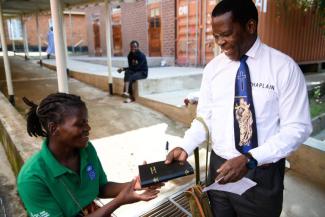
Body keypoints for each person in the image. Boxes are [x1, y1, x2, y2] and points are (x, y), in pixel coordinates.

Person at [165, 0, 312, 217]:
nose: (220, 43)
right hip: (219, 171)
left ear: (250, 27)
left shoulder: (284, 68)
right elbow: (205, 118)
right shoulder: (213, 69)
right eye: (215, 37)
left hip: (261, 175)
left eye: (225, 34)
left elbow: (297, 128)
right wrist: (185, 146)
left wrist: (250, 159)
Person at [17, 93, 162, 217]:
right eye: (80, 124)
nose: (88, 128)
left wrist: (136, 184)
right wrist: (119, 201)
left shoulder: (86, 149)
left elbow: (100, 187)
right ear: (54, 128)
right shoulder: (31, 179)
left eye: (86, 122)